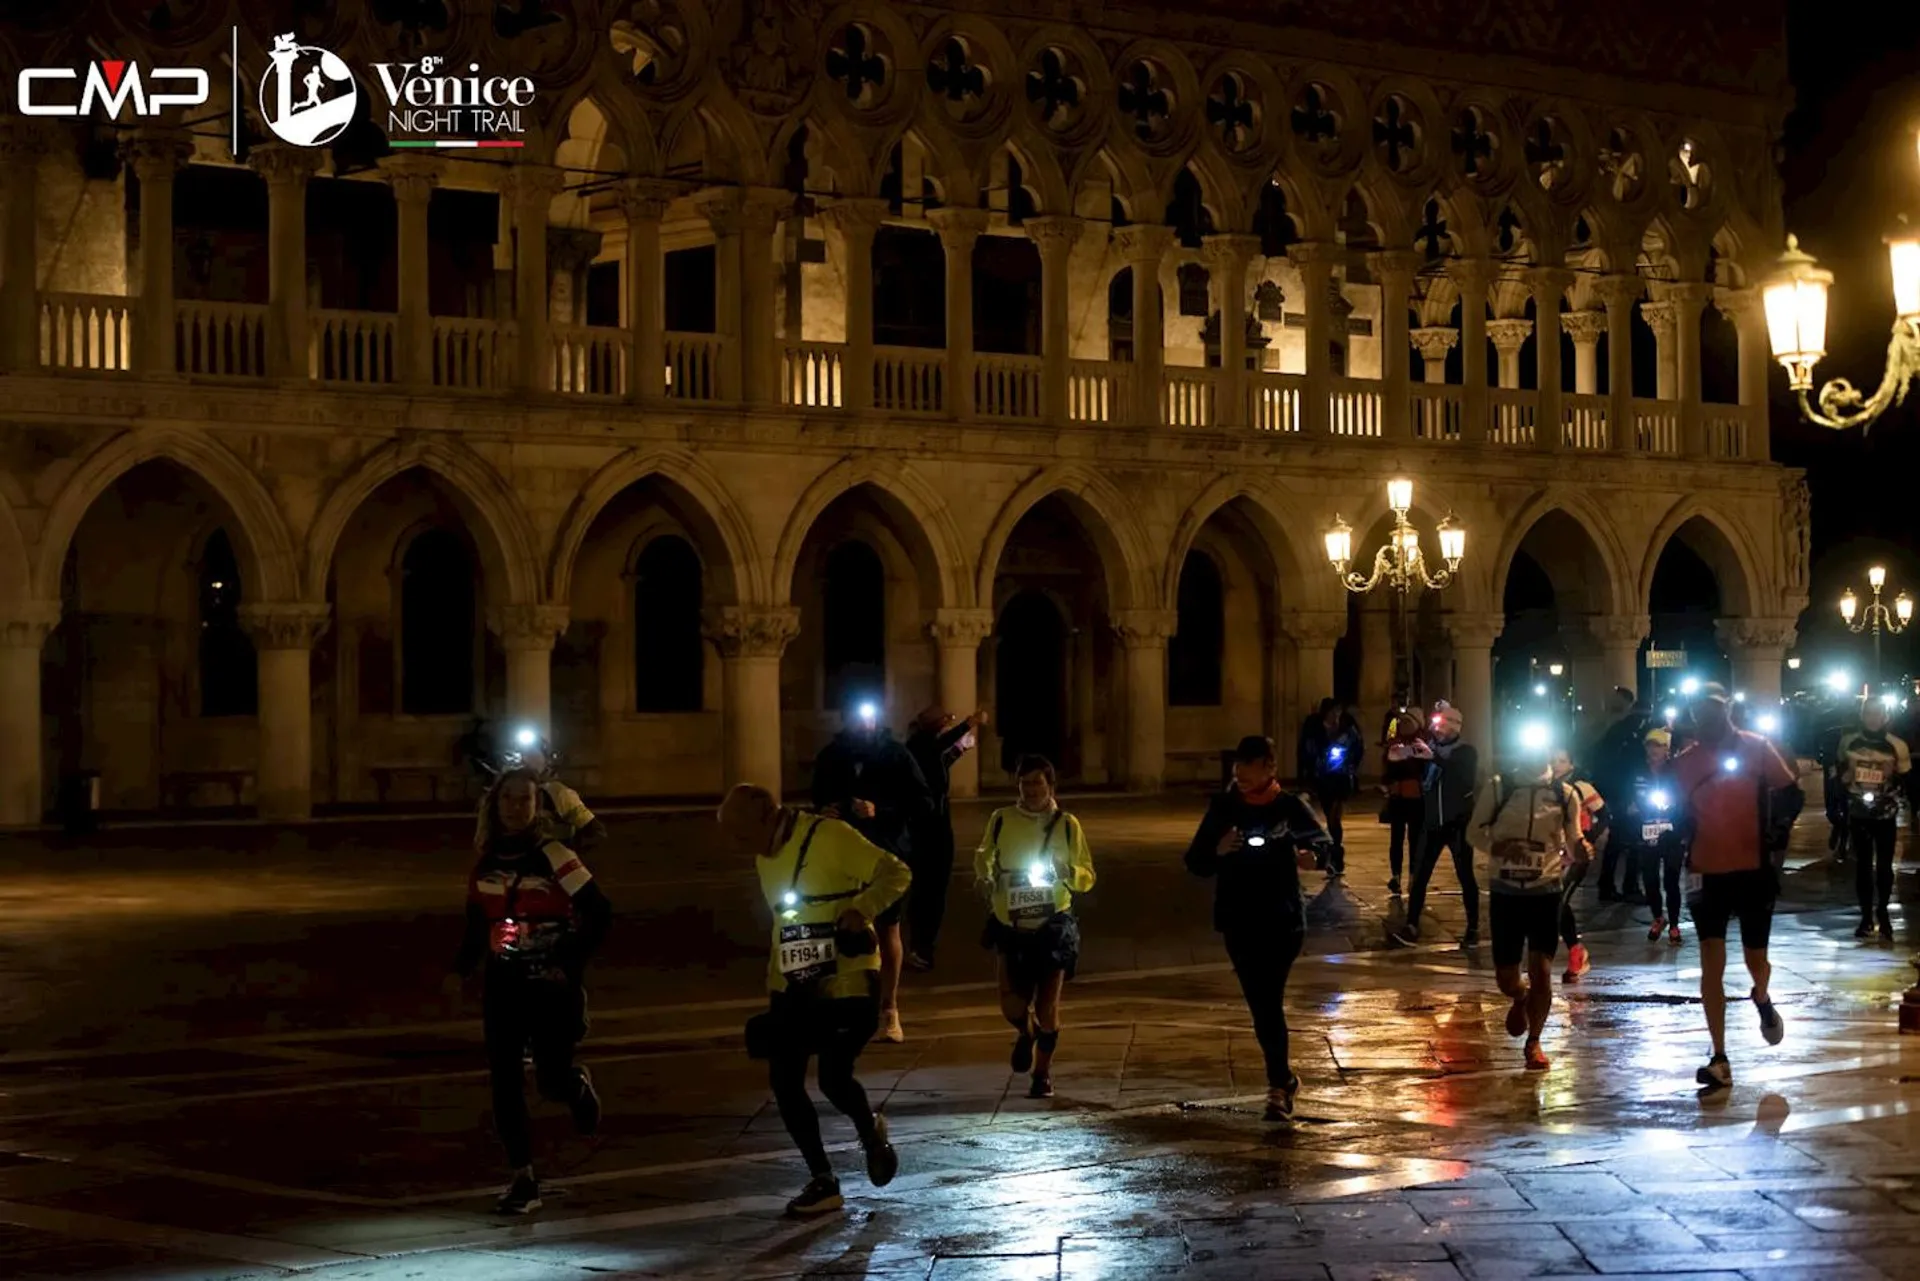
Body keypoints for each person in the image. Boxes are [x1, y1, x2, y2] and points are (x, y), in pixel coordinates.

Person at [719, 782, 909, 1217]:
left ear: (766, 817)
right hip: (792, 984)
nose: (738, 846)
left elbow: (898, 873)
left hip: (850, 980)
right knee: (784, 1079)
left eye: (741, 835)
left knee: (833, 1078)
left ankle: (870, 1132)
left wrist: (861, 908)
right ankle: (822, 1180)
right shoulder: (763, 853)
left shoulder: (831, 836)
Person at [450, 769, 613, 1215]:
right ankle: (523, 1178)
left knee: (550, 1079)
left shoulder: (556, 855)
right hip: (504, 983)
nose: (516, 807)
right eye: (508, 799)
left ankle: (574, 1087)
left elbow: (599, 911)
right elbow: (475, 920)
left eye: (525, 800)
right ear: (495, 805)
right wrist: (464, 965)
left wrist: (566, 958)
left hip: (551, 985)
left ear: (537, 807)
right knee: (504, 1080)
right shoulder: (485, 861)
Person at [1186, 735, 1330, 1120]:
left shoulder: (1289, 807)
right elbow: (1195, 861)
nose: (1240, 774)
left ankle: (1277, 1088)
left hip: (1282, 919)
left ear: (1269, 767)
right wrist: (1217, 850)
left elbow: (1326, 845)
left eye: (1249, 766)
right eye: (1237, 767)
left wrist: (1312, 856)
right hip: (1239, 919)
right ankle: (1282, 1080)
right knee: (1262, 1003)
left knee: (1268, 999)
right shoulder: (1224, 808)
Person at [1670, 683, 1800, 1090]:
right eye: (1699, 711)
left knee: (1754, 959)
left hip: (1752, 867)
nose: (1705, 717)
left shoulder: (1757, 747)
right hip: (1705, 870)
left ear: (1727, 709)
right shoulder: (1683, 763)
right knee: (1712, 961)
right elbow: (1673, 810)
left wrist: (1777, 832)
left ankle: (1761, 996)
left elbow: (1792, 793)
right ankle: (1719, 1055)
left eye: (1712, 708)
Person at [811, 696, 931, 1043]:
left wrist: (880, 810)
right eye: (856, 718)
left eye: (869, 717)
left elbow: (922, 802)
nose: (864, 724)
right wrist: (825, 810)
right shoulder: (833, 755)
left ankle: (889, 1008)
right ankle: (842, 1005)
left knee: (887, 929)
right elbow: (818, 795)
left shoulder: (895, 754)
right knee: (841, 926)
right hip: (841, 857)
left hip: (885, 852)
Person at [974, 755, 1095, 1099]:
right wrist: (984, 876)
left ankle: (1041, 1074)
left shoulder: (1068, 824)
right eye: (1025, 784)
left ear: (1050, 786)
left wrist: (1066, 873)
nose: (1030, 791)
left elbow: (1087, 874)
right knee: (1011, 1004)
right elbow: (984, 854)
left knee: (1047, 1007)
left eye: (1037, 784)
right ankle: (1025, 1033)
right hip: (1010, 922)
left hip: (1051, 922)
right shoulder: (1000, 819)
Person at [1479, 752, 1589, 1071]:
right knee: (1506, 978)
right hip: (1506, 892)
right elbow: (1475, 830)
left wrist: (1581, 849)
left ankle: (1535, 1043)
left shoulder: (1564, 795)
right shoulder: (1499, 788)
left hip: (1546, 890)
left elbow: (1573, 839)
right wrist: (1497, 847)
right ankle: (1519, 996)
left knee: (1542, 969)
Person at [902, 706, 986, 971]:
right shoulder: (919, 744)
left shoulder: (928, 748)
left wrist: (961, 749)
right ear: (934, 726)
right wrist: (969, 723)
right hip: (924, 826)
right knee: (926, 891)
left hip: (938, 822)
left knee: (935, 890)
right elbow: (938, 748)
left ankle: (924, 946)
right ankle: (920, 947)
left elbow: (940, 760)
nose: (948, 728)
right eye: (944, 724)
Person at [1393, 702, 1480, 949]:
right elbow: (1413, 768)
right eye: (1436, 726)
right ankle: (1411, 925)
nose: (1437, 730)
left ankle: (1473, 927)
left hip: (1458, 824)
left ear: (1454, 727)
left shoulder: (1466, 751)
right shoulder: (1429, 749)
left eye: (1442, 726)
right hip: (1432, 824)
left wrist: (1435, 758)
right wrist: (1403, 756)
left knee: (1466, 876)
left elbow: (1464, 779)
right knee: (1420, 876)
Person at [1835, 700, 1910, 940]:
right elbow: (1838, 772)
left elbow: (1907, 779)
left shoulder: (1897, 745)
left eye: (1877, 714)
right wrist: (1844, 782)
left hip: (1885, 813)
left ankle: (1883, 912)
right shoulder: (1848, 742)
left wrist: (1893, 782)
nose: (1872, 718)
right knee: (1863, 866)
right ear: (1861, 715)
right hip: (1859, 812)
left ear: (1886, 716)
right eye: (1868, 714)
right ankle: (1866, 916)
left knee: (1885, 866)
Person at [473, 731, 606, 856]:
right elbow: (484, 839)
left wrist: (564, 857)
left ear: (545, 759)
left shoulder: (559, 793)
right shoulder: (497, 793)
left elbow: (596, 832)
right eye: (520, 753)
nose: (524, 759)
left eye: (531, 753)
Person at [1547, 748, 1608, 983]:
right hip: (1553, 855)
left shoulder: (1582, 788)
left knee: (1559, 901)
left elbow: (1605, 815)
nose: (1557, 764)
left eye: (1562, 761)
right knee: (1554, 902)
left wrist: (1587, 841)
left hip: (1577, 855)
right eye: (1554, 760)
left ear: (1572, 765)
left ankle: (1576, 952)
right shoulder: (1544, 787)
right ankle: (1574, 951)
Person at [1623, 727, 1687, 945]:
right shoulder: (1638, 772)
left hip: (1672, 832)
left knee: (1671, 879)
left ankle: (1675, 925)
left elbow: (1685, 799)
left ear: (1667, 749)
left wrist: (1681, 825)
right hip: (1646, 831)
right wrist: (1631, 808)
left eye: (1658, 746)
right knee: (1650, 878)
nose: (1653, 750)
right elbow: (1629, 796)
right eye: (1650, 745)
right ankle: (1658, 918)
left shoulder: (1676, 771)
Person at [1592, 688, 1651, 900]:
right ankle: (1628, 887)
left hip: (1616, 794)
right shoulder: (1631, 735)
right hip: (1626, 796)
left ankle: (1608, 886)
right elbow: (1634, 768)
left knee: (1618, 841)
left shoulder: (1617, 731)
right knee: (1634, 842)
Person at [1298, 699, 1362, 875]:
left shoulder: (1347, 730)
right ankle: (1334, 852)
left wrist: (1350, 765)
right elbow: (1306, 750)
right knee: (1329, 815)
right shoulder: (1315, 730)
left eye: (1338, 712)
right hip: (1324, 778)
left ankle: (1336, 853)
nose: (1336, 716)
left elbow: (1357, 748)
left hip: (1341, 778)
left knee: (1335, 816)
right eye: (1333, 712)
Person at [1381, 711, 1429, 896]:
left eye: (1408, 722)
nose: (1404, 725)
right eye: (1402, 722)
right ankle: (1396, 876)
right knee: (1396, 839)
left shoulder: (1422, 745)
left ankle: (1413, 876)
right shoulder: (1395, 745)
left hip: (1416, 799)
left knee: (1415, 840)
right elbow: (1388, 769)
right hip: (1398, 798)